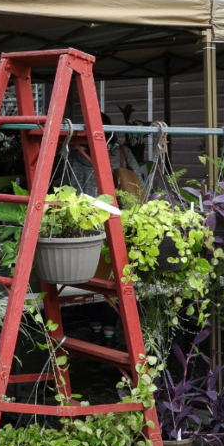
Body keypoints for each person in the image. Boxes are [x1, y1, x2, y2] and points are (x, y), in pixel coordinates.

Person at [66, 113, 148, 349]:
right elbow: (137, 181)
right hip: (107, 221)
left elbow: (65, 186)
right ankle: (105, 330)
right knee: (106, 276)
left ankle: (100, 329)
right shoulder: (118, 152)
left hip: (92, 222)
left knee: (98, 276)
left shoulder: (76, 154)